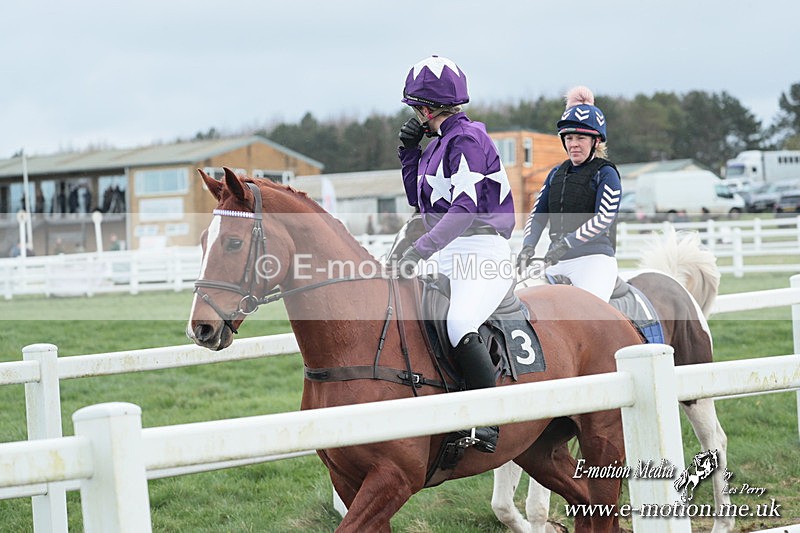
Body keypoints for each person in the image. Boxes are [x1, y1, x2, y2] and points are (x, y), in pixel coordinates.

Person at [395, 55, 515, 453]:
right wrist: (409, 153)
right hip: (450, 247)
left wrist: (420, 250)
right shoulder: (437, 145)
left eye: (416, 109)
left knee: (459, 321)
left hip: (483, 248)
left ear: (425, 108)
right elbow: (421, 203)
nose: (415, 115)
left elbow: (463, 209)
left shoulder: (466, 140)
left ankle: (487, 423)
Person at [517, 86, 622, 302]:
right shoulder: (555, 173)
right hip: (556, 263)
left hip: (594, 261)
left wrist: (567, 243)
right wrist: (528, 246)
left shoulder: (606, 173)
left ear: (596, 141)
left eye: (581, 138)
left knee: (590, 317)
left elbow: (603, 219)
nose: (573, 144)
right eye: (569, 138)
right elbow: (537, 216)